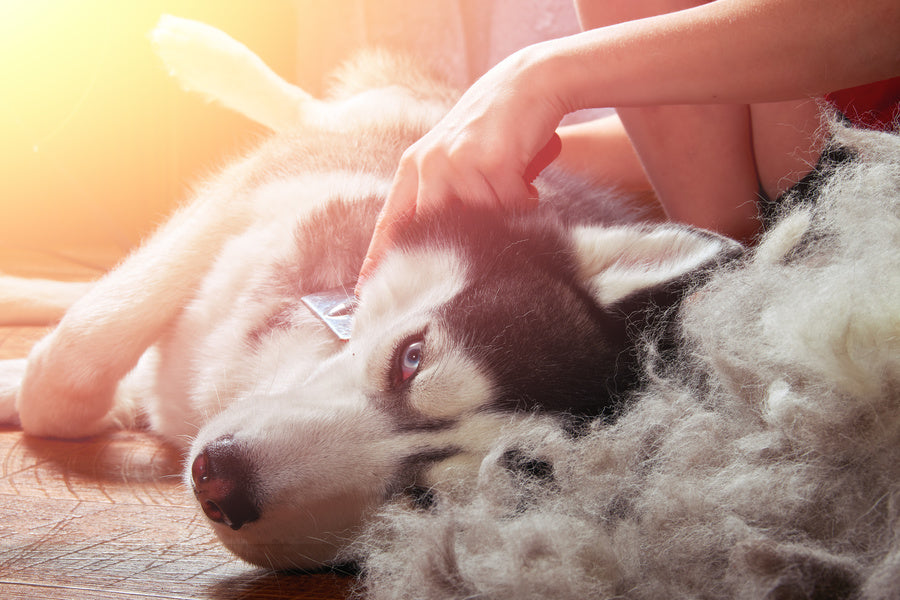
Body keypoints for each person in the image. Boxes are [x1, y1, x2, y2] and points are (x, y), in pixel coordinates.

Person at [358, 0, 900, 285]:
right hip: (779, 229)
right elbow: (732, 118)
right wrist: (502, 159)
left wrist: (538, 78)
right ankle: (715, 288)